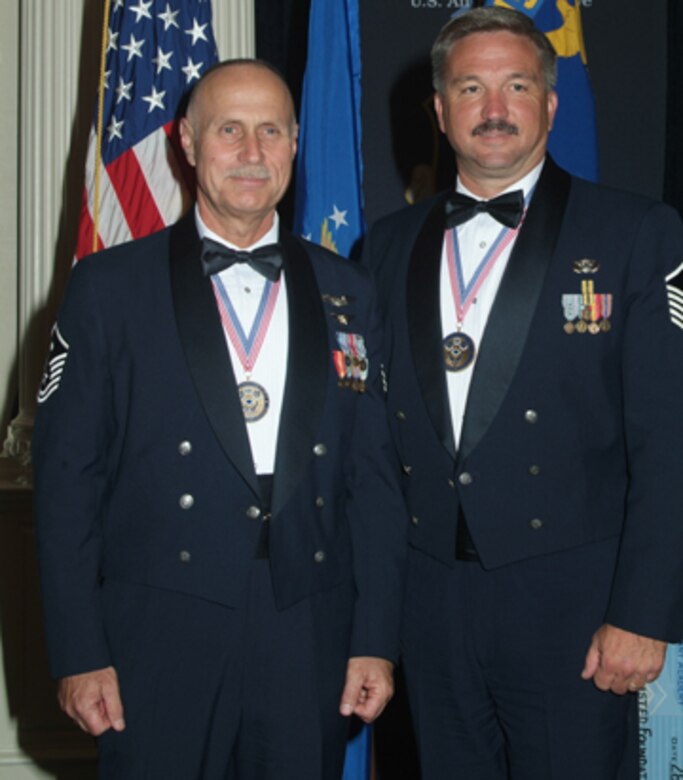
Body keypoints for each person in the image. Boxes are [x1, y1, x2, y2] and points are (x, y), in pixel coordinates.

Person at [33, 59, 406, 780]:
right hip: (158, 624)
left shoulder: (350, 288)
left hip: (308, 623)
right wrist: (79, 651)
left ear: (294, 143)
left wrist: (375, 639)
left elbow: (375, 480)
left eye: (271, 131)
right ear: (186, 141)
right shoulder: (108, 288)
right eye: (229, 130)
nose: (251, 152)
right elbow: (66, 483)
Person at [362, 7, 683, 779]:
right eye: (470, 88)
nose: (494, 108)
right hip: (430, 608)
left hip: (575, 608)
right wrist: (374, 625)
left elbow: (669, 439)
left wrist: (643, 615)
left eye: (516, 85)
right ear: (439, 110)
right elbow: (371, 451)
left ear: (550, 103)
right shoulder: (384, 247)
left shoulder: (633, 234)